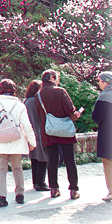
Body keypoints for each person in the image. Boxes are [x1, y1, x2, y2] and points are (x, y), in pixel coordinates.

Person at [0, 79, 36, 207]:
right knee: (17, 168)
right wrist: (32, 142)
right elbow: (27, 126)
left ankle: (1, 196)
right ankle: (19, 194)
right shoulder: (20, 105)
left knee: (1, 170)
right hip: (16, 141)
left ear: (1, 90)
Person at [35, 69, 82, 199]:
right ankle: (73, 189)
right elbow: (70, 110)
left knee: (52, 161)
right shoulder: (60, 91)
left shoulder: (38, 95)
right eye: (57, 78)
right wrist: (76, 115)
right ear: (52, 78)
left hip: (48, 131)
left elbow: (39, 113)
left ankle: (54, 189)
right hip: (65, 131)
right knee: (70, 160)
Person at [92, 71, 112, 201]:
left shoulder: (104, 97)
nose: (98, 83)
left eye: (99, 81)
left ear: (106, 82)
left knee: (109, 163)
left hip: (108, 136)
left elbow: (97, 118)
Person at [24, 79, 49, 191]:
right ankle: (40, 182)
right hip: (40, 132)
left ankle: (36, 182)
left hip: (30, 133)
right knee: (43, 158)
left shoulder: (26, 101)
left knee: (34, 158)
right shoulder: (37, 101)